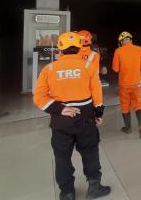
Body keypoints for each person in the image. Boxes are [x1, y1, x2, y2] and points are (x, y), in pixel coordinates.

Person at [33, 32, 111, 200]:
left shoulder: (49, 69)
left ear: (60, 49)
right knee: (90, 153)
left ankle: (67, 193)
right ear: (79, 48)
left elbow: (38, 97)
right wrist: (99, 113)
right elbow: (97, 94)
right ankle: (94, 189)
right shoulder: (88, 67)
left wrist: (60, 108)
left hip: (61, 123)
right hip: (86, 119)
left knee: (62, 158)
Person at [112, 31, 141, 138]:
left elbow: (115, 68)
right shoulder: (139, 49)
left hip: (124, 85)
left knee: (125, 105)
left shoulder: (118, 51)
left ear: (121, 41)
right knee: (138, 104)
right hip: (136, 83)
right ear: (130, 40)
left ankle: (128, 128)